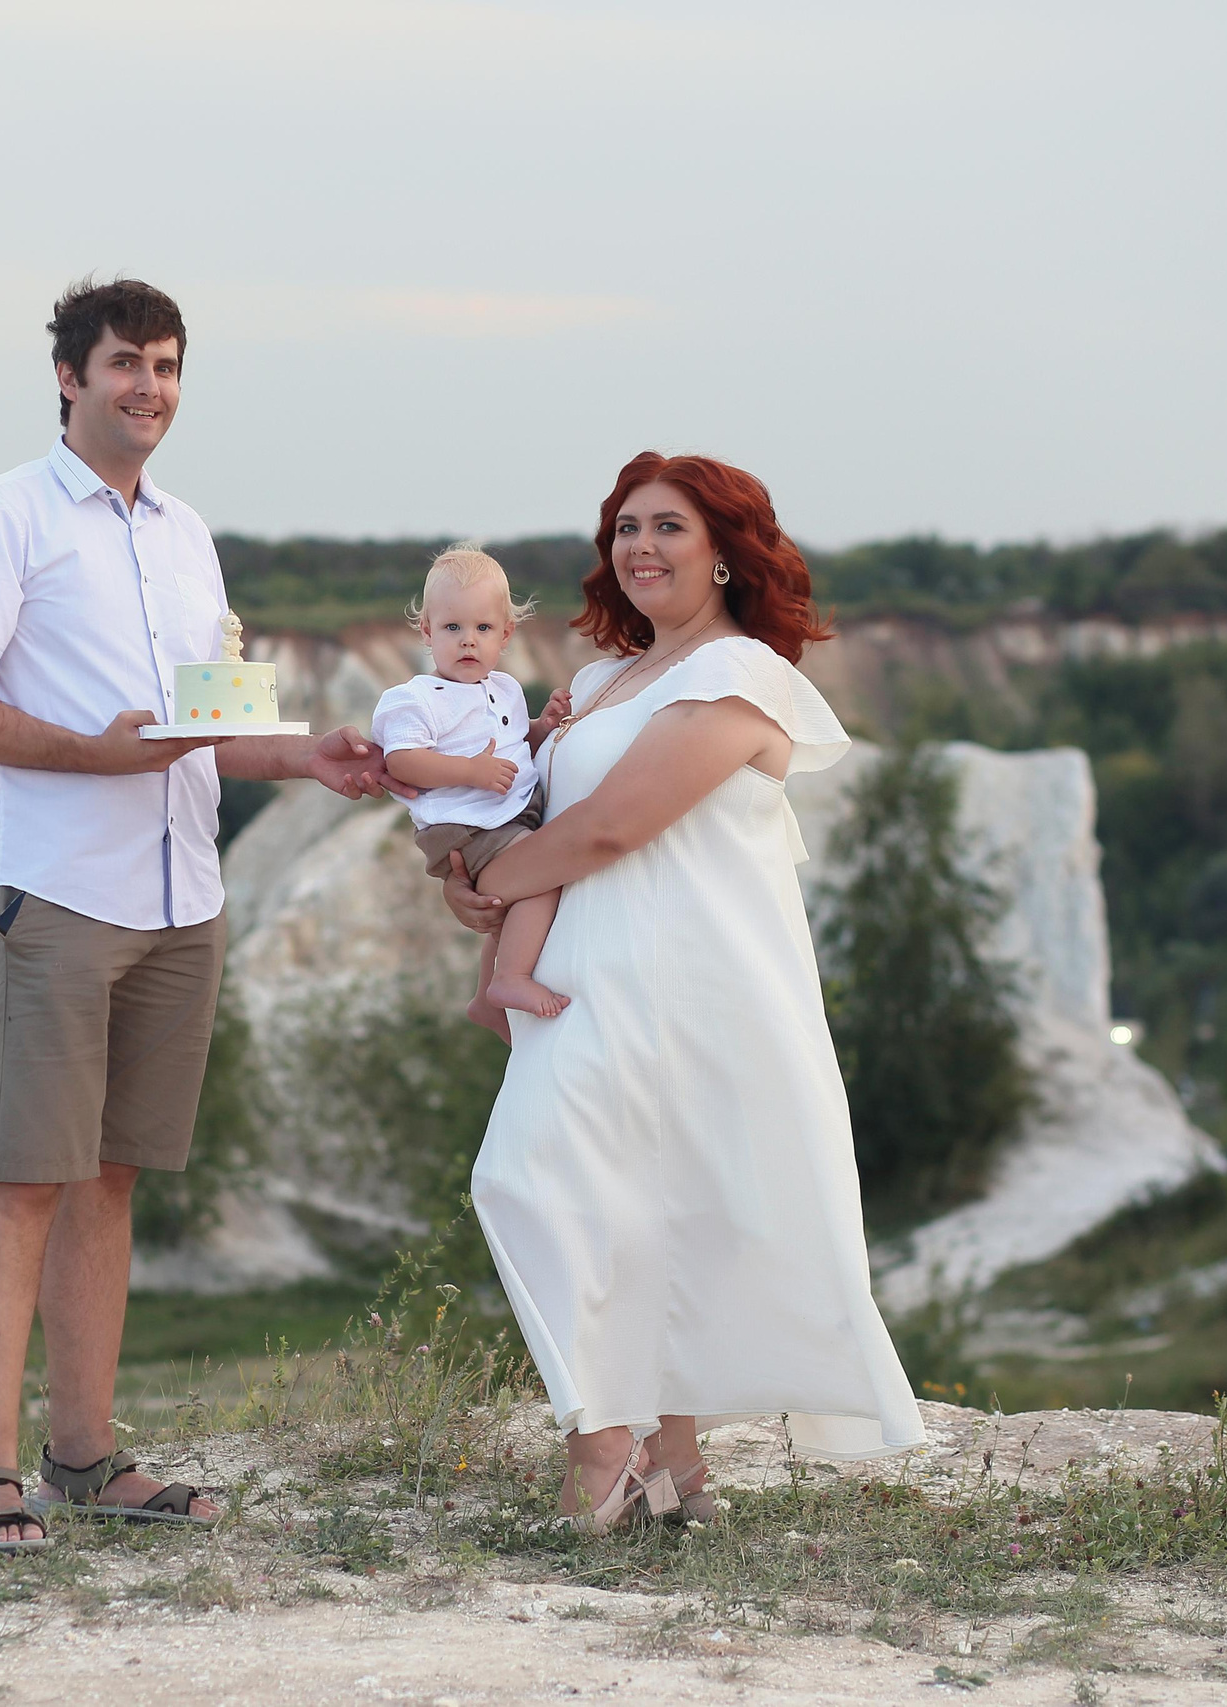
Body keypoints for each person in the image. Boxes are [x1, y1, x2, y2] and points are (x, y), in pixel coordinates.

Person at [0, 277, 399, 1551]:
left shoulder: (186, 535)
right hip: (56, 893)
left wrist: (306, 759)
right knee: (27, 1174)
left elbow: (200, 729)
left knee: (111, 1177)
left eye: (168, 365)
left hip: (182, 896)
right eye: (125, 362)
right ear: (68, 377)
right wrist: (92, 755)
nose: (149, 387)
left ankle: (85, 1457)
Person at [442, 451, 924, 1532]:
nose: (642, 546)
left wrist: (485, 881)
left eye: (669, 526)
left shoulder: (740, 674)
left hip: (689, 981)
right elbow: (537, 809)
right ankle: (674, 1467)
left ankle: (603, 1447)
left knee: (533, 1180)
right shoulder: (601, 683)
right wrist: (477, 868)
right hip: (585, 976)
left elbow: (612, 828)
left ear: (723, 554)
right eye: (626, 527)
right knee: (631, 1207)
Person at [372, 547, 571, 1034]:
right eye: (452, 627)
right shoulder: (416, 699)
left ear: (506, 634)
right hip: (467, 826)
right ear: (427, 632)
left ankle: (485, 999)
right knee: (543, 875)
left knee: (511, 907)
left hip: (508, 814)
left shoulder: (504, 688)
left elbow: (515, 742)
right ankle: (511, 978)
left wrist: (543, 727)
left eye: (483, 628)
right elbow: (402, 761)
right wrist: (469, 771)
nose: (468, 640)